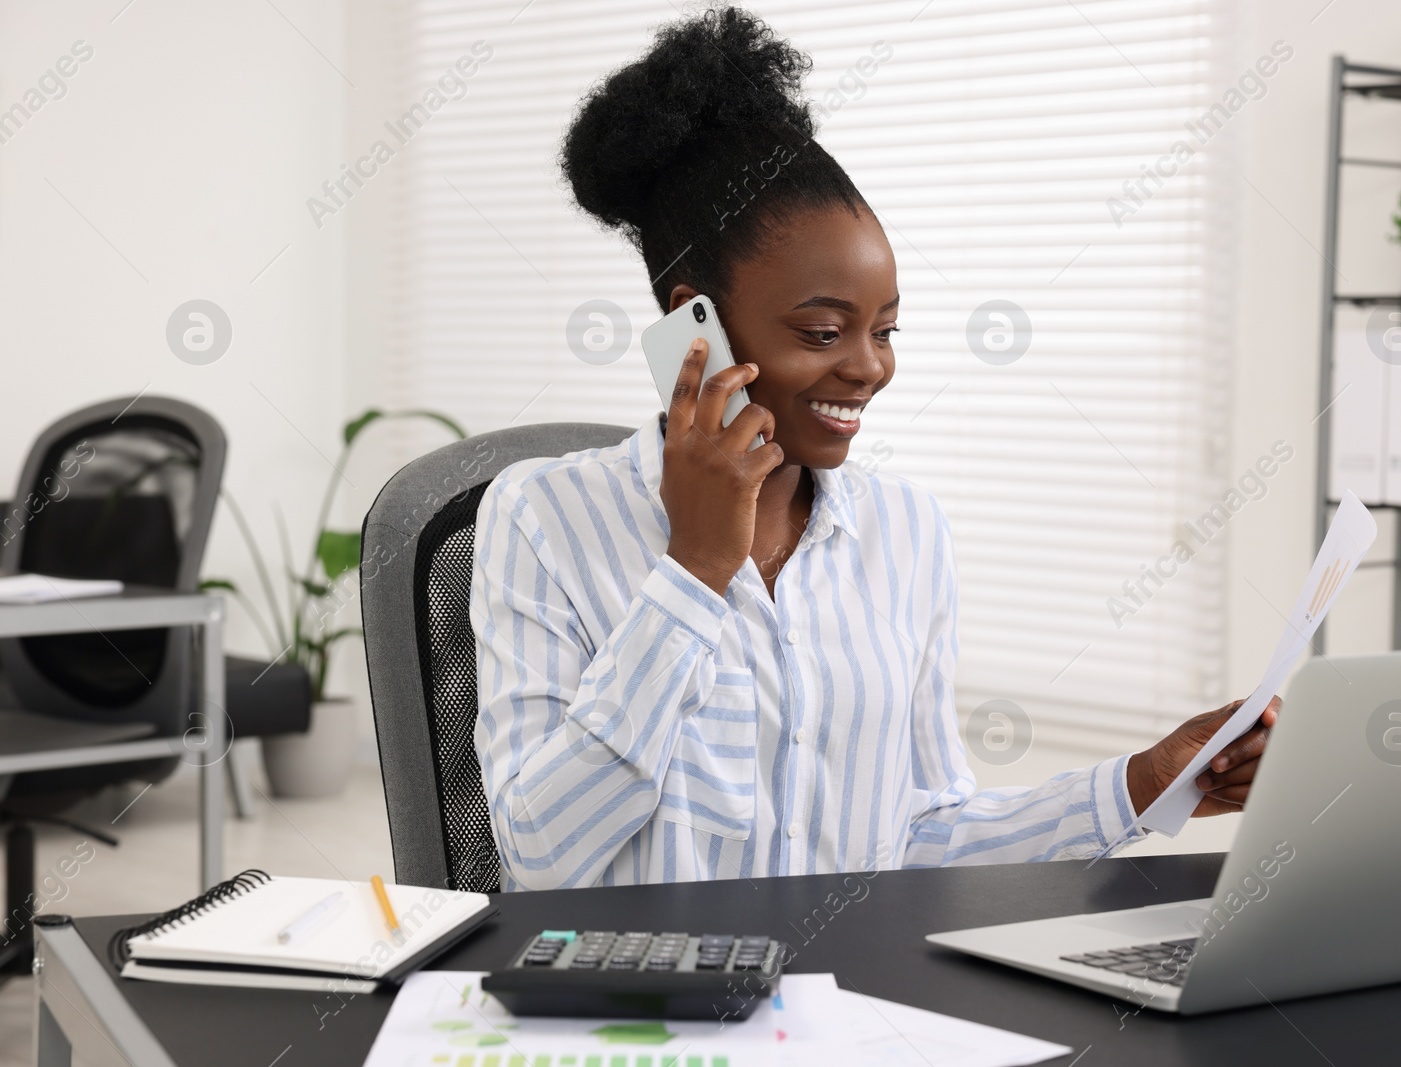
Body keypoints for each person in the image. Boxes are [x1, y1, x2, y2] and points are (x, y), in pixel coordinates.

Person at [471, 7, 1277, 891]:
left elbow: (918, 836)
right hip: (636, 1015)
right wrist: (695, 571)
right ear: (689, 321)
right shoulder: (544, 518)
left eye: (885, 330)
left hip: (840, 1005)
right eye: (822, 331)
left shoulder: (905, 531)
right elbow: (539, 852)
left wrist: (1140, 784)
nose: (868, 369)